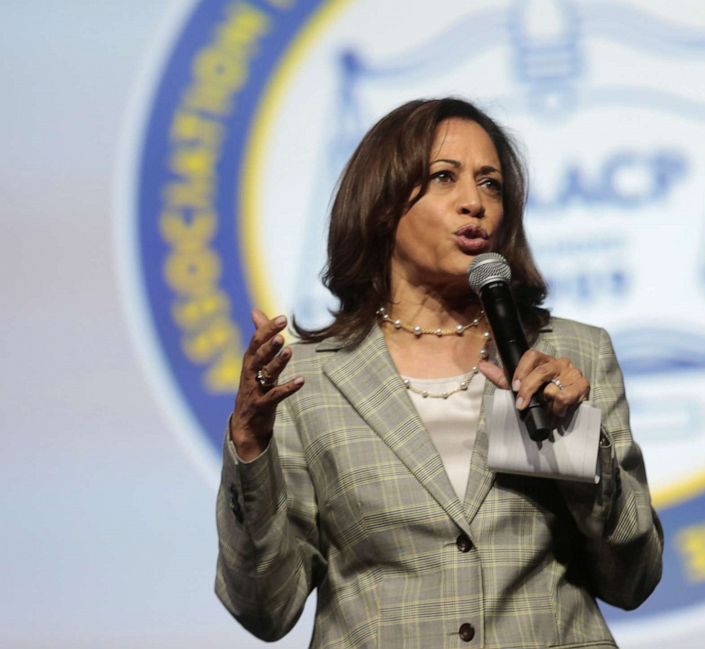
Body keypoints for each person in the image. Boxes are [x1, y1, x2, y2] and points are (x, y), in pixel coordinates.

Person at [215, 97, 663, 648]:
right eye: (444, 178)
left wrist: (576, 440)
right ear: (382, 205)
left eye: (491, 184)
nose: (474, 203)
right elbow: (265, 607)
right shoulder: (309, 382)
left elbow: (633, 577)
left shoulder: (572, 353)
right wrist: (249, 446)